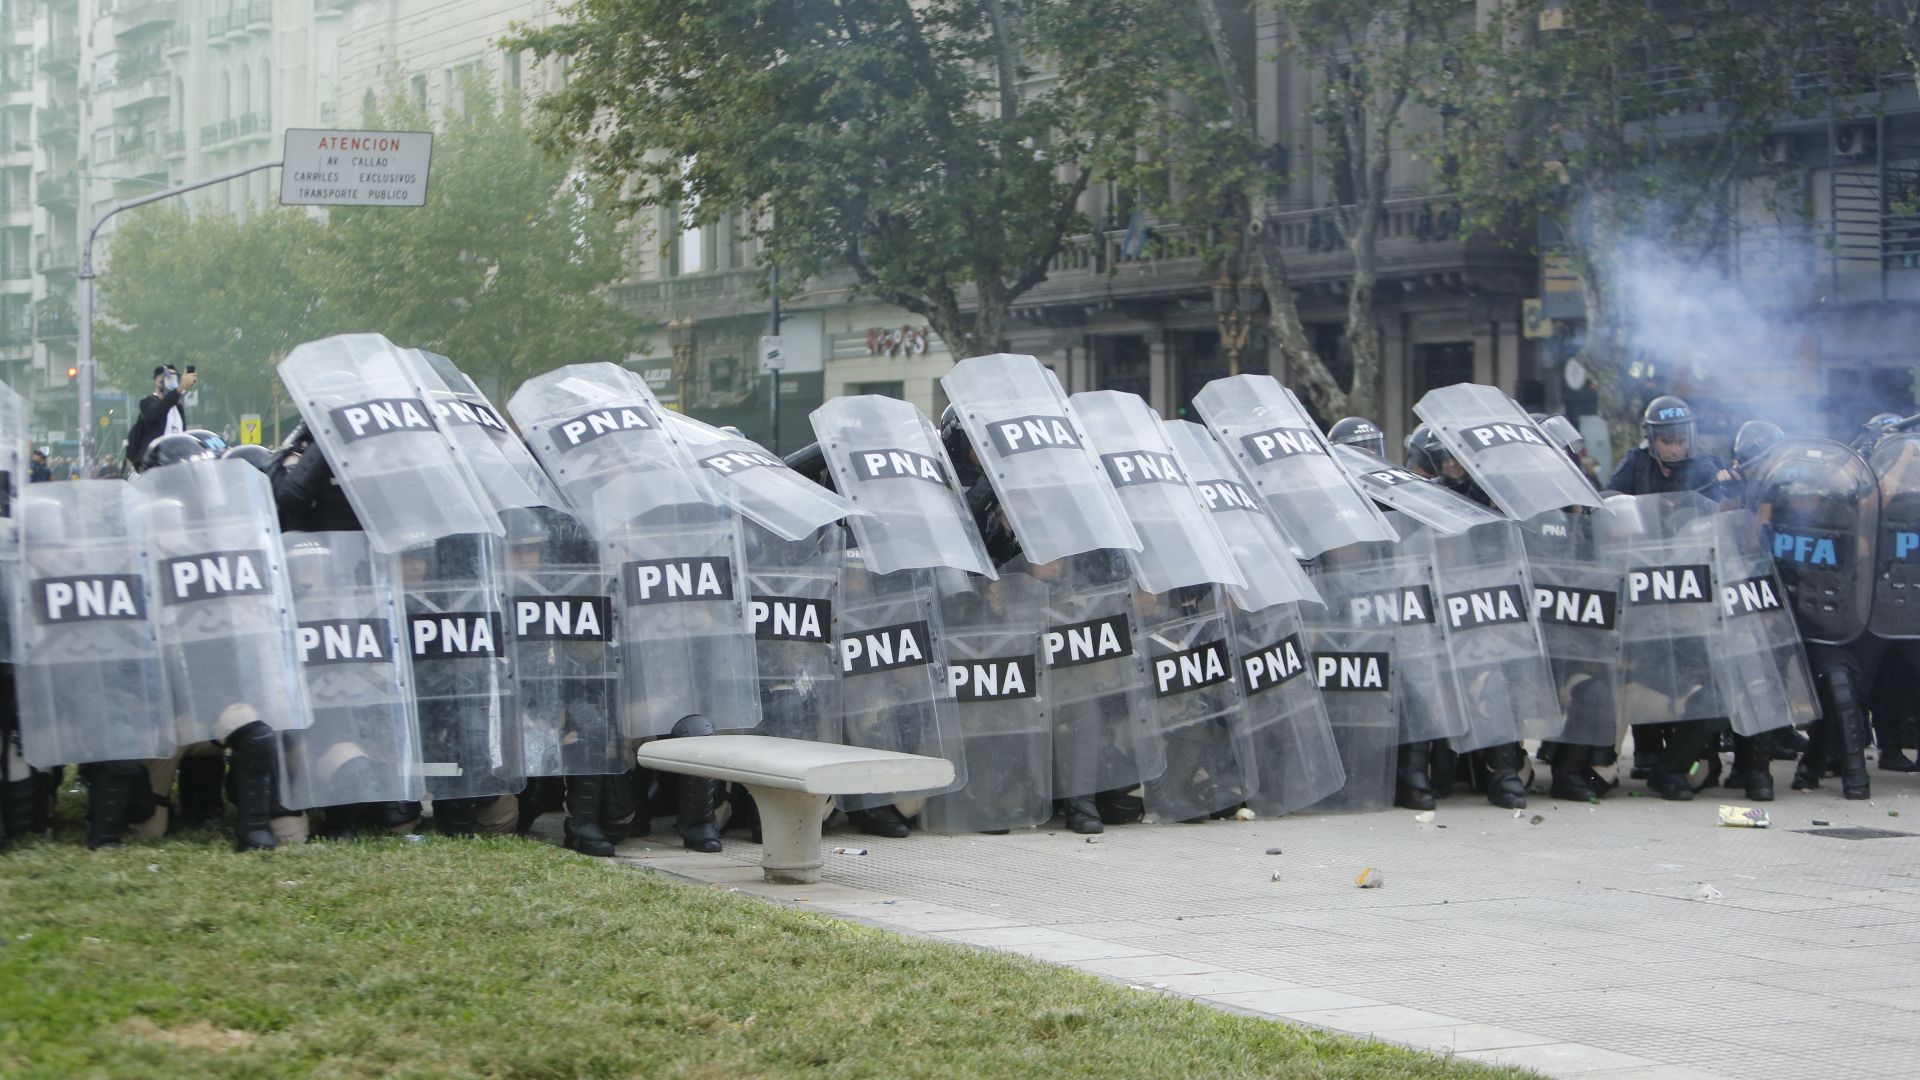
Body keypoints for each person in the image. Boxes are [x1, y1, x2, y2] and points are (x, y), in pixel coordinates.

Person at [1607, 396, 1725, 495]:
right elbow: (1611, 497)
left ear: (1690, 439)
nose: (1674, 450)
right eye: (1666, 442)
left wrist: (1727, 483)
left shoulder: (1702, 464)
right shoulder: (1635, 462)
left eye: (1681, 442)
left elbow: (1722, 487)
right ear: (1652, 441)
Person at [126, 365, 196, 473]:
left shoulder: (178, 407)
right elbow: (155, 413)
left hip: (176, 464)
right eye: (168, 378)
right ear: (157, 381)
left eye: (174, 378)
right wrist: (180, 388)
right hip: (154, 466)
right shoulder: (147, 402)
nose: (171, 382)